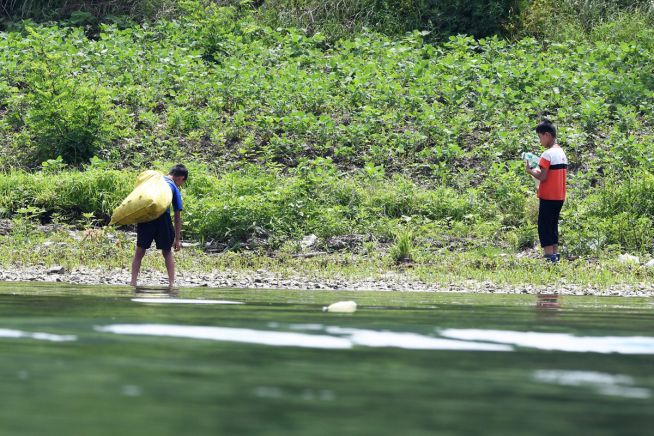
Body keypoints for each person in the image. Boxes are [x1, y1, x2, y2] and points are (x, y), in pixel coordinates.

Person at [130, 164, 188, 288]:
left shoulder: (153, 181)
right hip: (163, 220)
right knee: (167, 252)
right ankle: (172, 284)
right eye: (182, 183)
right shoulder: (173, 186)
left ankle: (133, 282)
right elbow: (177, 215)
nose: (180, 185)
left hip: (146, 218)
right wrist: (177, 239)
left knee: (139, 252)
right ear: (180, 178)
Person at [525, 120, 567, 262]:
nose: (540, 141)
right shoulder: (561, 152)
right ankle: (555, 255)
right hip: (559, 196)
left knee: (544, 226)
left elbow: (542, 176)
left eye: (540, 137)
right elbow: (550, 174)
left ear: (547, 135)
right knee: (553, 225)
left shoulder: (547, 154)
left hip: (548, 196)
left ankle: (549, 258)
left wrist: (530, 171)